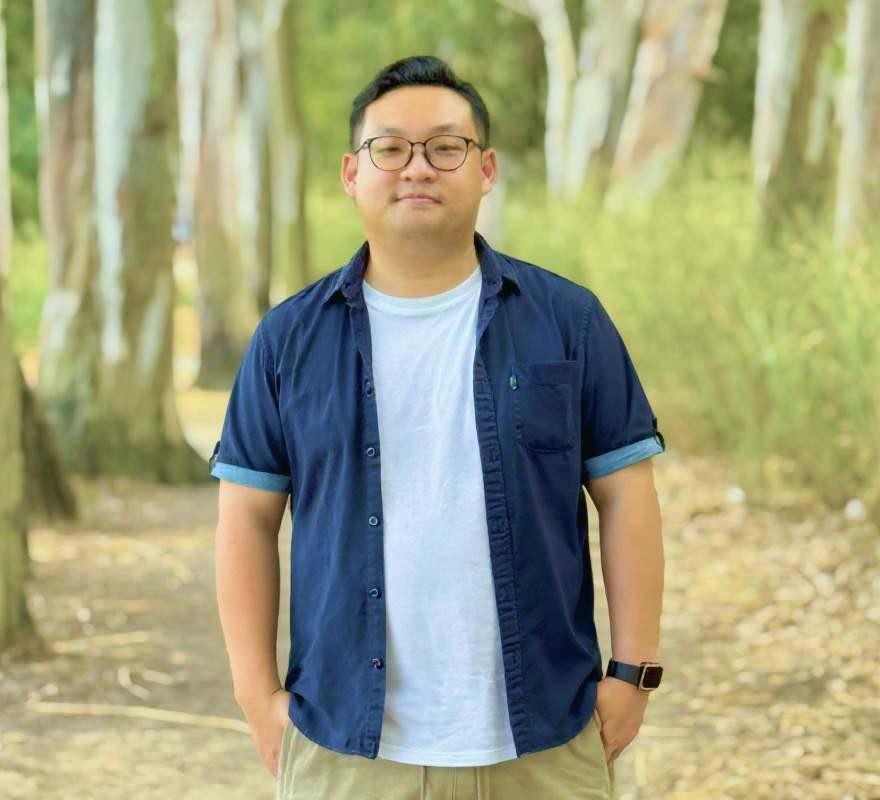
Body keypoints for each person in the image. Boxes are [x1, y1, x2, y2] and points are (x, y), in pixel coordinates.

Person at [210, 55, 666, 800]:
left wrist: (633, 673)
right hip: (348, 751)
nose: (417, 167)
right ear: (352, 174)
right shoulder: (289, 340)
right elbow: (246, 521)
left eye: (444, 147)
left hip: (543, 742)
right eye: (390, 148)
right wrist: (256, 698)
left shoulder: (567, 321)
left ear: (484, 169)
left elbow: (627, 496)